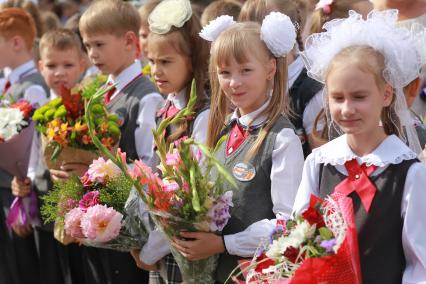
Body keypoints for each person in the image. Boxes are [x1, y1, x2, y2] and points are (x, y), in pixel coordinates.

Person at [293, 10, 426, 283]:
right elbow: (297, 236)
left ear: (386, 94)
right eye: (337, 97)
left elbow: (419, 263)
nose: (347, 108)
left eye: (359, 97)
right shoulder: (319, 163)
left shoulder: (408, 174)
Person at [172, 12, 304, 283]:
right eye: (224, 72)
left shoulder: (281, 138)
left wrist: (224, 244)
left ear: (270, 69)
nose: (234, 82)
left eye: (245, 70)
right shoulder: (223, 130)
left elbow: (288, 224)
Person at [78, 0, 163, 283]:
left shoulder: (146, 96)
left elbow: (148, 169)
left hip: (132, 233)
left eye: (99, 45)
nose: (92, 54)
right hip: (105, 226)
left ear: (129, 40)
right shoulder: (104, 91)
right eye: (87, 46)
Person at [129, 0, 210, 283]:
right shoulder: (168, 104)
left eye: (165, 62)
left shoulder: (203, 113)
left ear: (193, 60)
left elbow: (188, 201)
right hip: (163, 245)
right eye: (151, 61)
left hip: (184, 251)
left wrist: (150, 251)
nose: (155, 71)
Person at [0, 7, 49, 284]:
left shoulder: (32, 86)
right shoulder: (11, 81)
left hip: (18, 190)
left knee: (22, 268)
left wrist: (24, 192)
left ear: (16, 42)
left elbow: (34, 146)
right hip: (10, 186)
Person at [239, 0, 324, 157]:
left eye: (261, 32)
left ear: (290, 30)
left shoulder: (311, 90)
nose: (253, 42)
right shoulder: (246, 83)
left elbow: (321, 159)